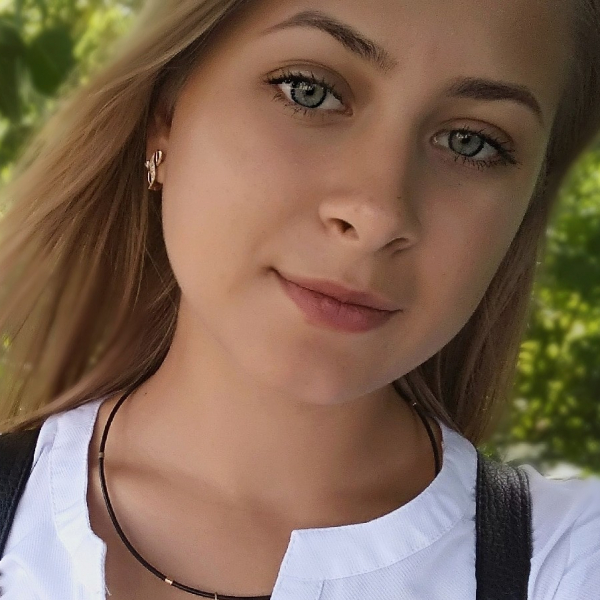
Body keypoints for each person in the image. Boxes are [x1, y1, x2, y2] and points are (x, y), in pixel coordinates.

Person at [0, 0, 598, 598]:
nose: (377, 214)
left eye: (470, 142)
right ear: (166, 116)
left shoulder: (572, 561)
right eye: (309, 91)